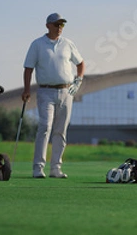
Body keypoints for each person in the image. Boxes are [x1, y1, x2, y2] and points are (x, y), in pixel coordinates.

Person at [21, 13, 84, 178]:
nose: (59, 28)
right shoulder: (37, 44)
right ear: (48, 25)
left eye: (62, 25)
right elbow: (28, 68)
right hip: (45, 91)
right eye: (56, 25)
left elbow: (80, 63)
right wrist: (26, 90)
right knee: (45, 127)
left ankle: (56, 168)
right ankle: (38, 168)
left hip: (66, 91)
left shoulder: (68, 44)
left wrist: (79, 81)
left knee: (60, 130)